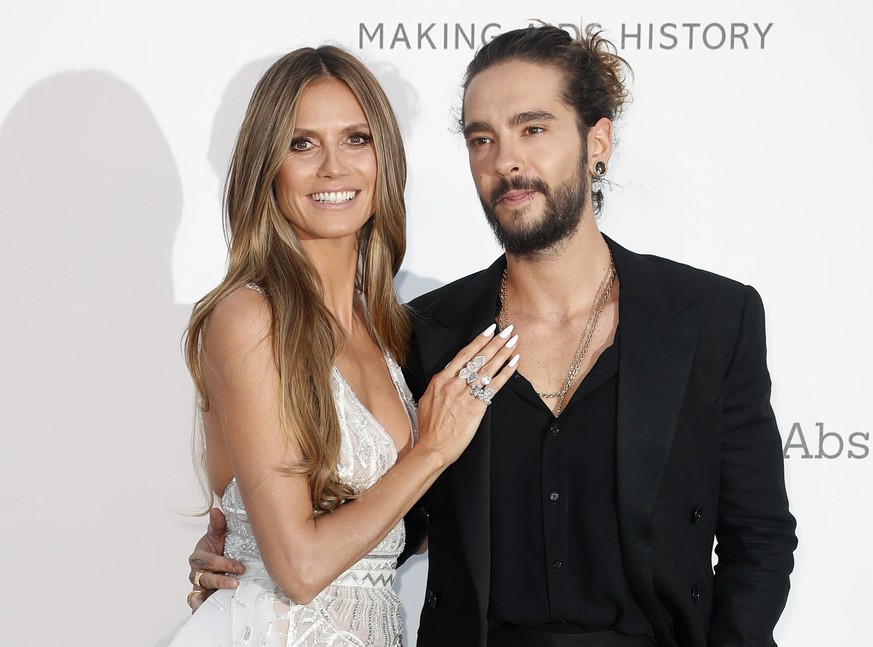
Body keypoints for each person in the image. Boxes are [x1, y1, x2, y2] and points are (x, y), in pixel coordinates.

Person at [187, 26, 797, 647]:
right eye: (483, 138)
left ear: (598, 142)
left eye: (533, 129)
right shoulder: (426, 334)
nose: (507, 160)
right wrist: (247, 551)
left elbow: (761, 540)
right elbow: (399, 517)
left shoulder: (710, 318)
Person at [159, 45, 520, 647]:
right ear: (266, 165)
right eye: (302, 144)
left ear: (383, 158)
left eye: (356, 139)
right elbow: (299, 570)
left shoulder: (388, 326)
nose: (333, 167)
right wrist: (430, 450)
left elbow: (401, 524)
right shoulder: (249, 316)